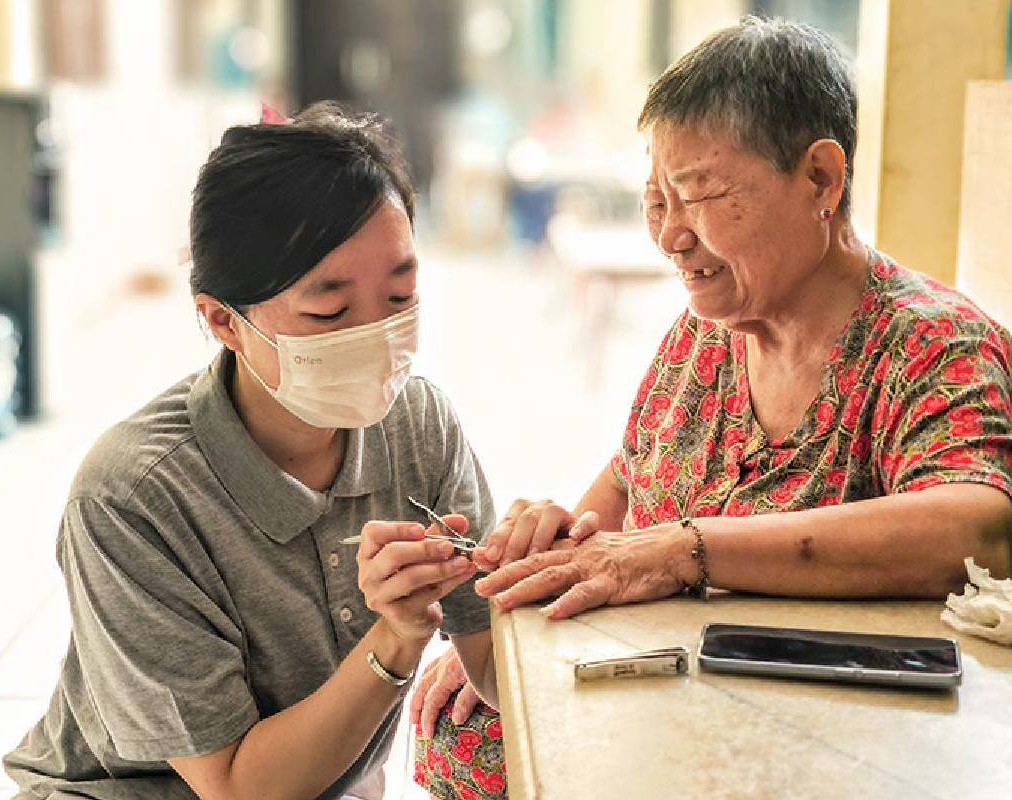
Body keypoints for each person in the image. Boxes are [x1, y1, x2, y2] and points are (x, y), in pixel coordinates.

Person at [411, 17, 1012, 799]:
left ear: (821, 180)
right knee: (464, 730)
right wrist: (520, 599)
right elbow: (628, 486)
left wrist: (682, 550)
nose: (670, 233)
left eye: (698, 194)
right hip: (656, 694)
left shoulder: (930, 343)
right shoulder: (705, 335)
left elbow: (977, 525)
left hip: (802, 744)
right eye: (655, 198)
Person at [3, 102, 502, 800]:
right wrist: (394, 640)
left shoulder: (418, 425)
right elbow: (237, 788)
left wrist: (541, 580)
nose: (378, 336)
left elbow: (493, 662)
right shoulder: (134, 496)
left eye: (401, 294)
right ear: (222, 321)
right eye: (329, 312)